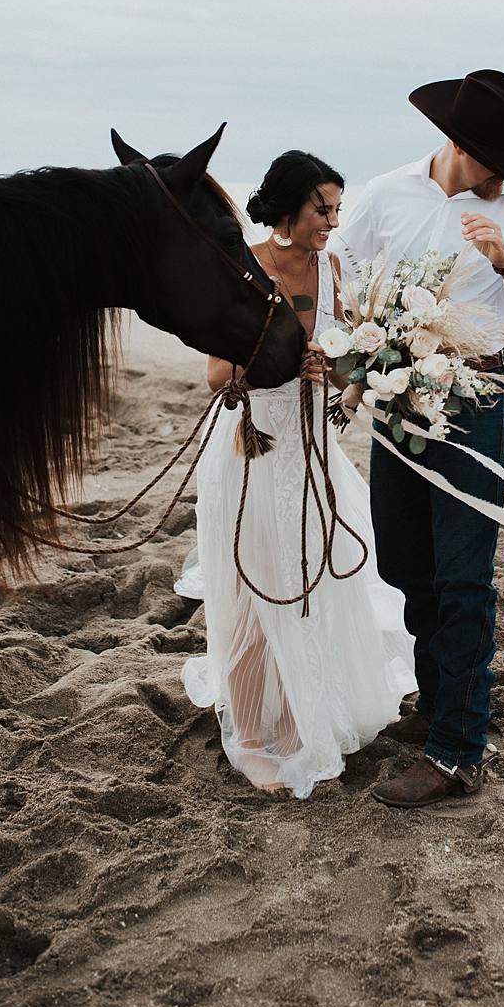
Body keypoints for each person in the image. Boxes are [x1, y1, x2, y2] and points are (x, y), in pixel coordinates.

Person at [332, 69, 504, 809]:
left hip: (476, 398)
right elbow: (334, 268)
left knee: (465, 574)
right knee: (407, 563)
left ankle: (458, 751)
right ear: (464, 142)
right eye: (501, 157)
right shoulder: (384, 192)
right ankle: (436, 705)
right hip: (395, 391)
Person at [174, 150, 415, 798]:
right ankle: (251, 737)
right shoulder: (240, 267)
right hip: (252, 452)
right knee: (255, 598)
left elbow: (346, 371)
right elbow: (218, 376)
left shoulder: (337, 271)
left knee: (317, 587)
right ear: (286, 208)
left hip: (314, 453)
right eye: (321, 209)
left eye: (337, 208)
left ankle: (301, 717)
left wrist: (338, 375)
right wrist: (283, 363)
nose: (332, 222)